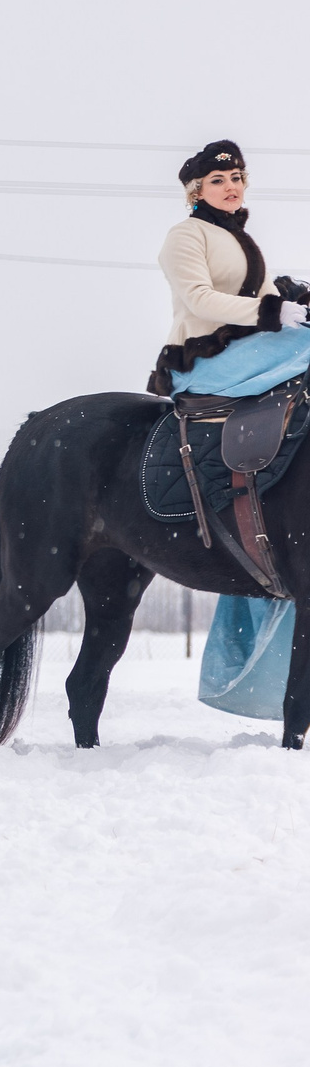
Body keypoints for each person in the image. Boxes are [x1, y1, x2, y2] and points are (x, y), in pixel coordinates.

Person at [148, 140, 310, 721]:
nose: (233, 186)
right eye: (220, 180)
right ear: (198, 190)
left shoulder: (241, 238)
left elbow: (259, 296)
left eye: (238, 177)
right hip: (204, 356)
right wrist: (274, 315)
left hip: (249, 349)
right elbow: (199, 299)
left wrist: (290, 299)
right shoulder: (185, 236)